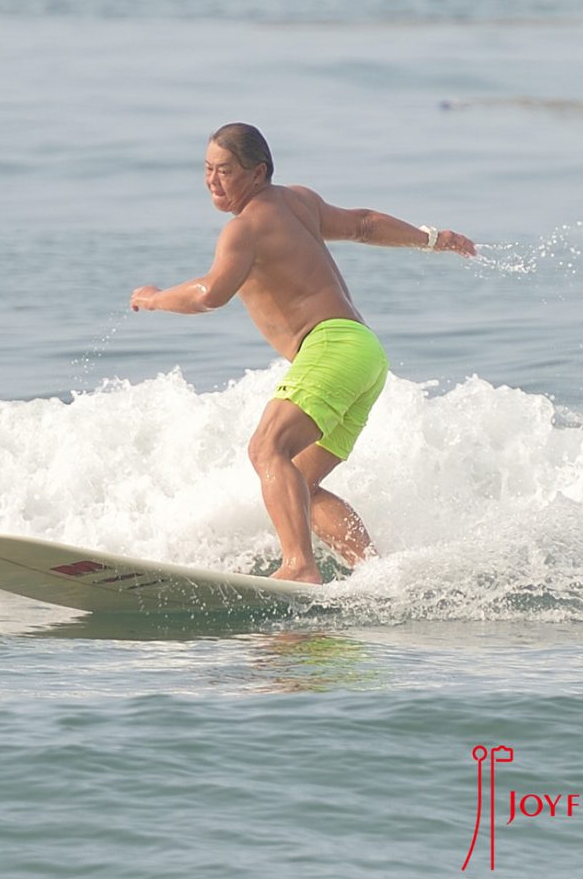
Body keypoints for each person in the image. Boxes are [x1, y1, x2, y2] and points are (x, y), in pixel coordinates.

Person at [130, 123, 476, 584]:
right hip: (365, 354)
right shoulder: (299, 202)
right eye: (208, 169)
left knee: (266, 449)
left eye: (225, 171)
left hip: (330, 345)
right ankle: (380, 576)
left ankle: (299, 566)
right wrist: (433, 238)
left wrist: (154, 298)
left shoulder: (243, 229)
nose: (213, 181)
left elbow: (210, 294)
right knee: (297, 482)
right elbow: (364, 224)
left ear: (258, 173)